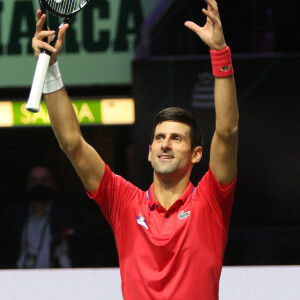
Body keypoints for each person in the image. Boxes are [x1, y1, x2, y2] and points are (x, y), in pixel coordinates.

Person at [31, 0, 238, 298]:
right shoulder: (125, 204)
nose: (165, 143)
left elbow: (228, 131)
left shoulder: (211, 201)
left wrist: (220, 53)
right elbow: (72, 144)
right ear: (149, 151)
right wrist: (50, 68)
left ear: (196, 154)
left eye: (177, 138)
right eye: (159, 138)